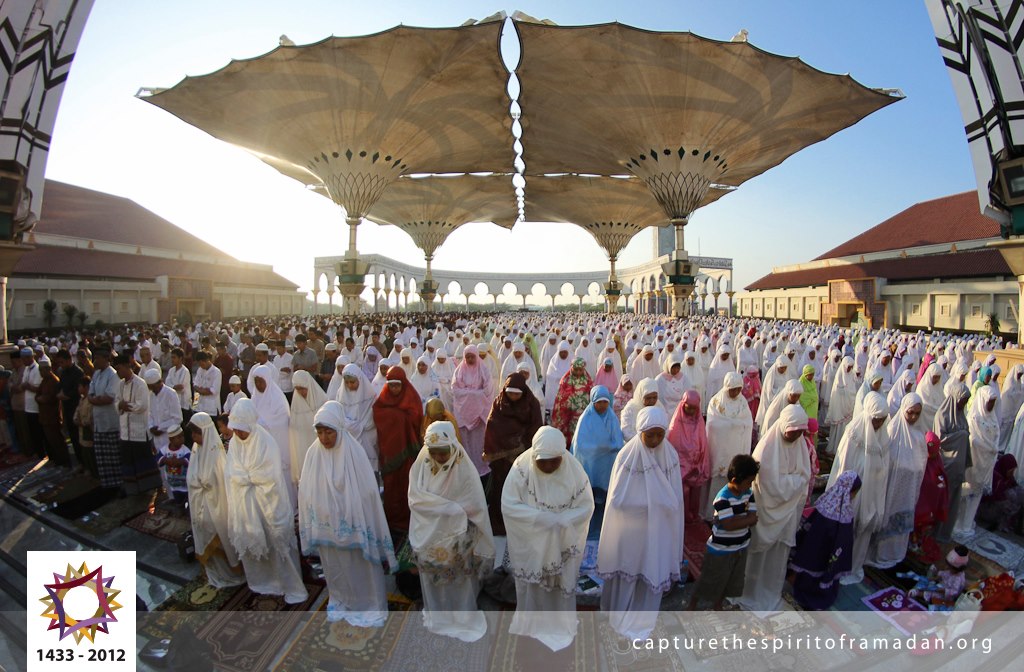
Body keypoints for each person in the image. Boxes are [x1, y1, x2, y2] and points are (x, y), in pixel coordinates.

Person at [298, 401, 395, 625]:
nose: (324, 438)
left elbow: (369, 493)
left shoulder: (354, 453)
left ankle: (369, 603)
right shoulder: (313, 454)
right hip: (326, 526)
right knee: (335, 568)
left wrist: (349, 508)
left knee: (358, 566)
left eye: (329, 432)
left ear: (339, 430)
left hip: (354, 524)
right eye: (320, 432)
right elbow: (306, 491)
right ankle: (341, 599)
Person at [502, 426, 594, 652]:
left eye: (554, 461)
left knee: (559, 583)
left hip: (562, 542)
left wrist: (564, 519)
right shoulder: (522, 469)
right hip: (533, 543)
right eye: (543, 461)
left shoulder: (574, 470)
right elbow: (509, 505)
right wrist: (541, 518)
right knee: (535, 586)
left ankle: (559, 624)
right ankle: (532, 624)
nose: (550, 466)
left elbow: (586, 505)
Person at [598, 406, 684, 640]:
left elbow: (675, 498)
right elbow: (617, 500)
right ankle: (619, 614)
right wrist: (650, 504)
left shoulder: (670, 456)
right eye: (650, 435)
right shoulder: (626, 456)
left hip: (658, 529)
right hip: (632, 531)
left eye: (660, 434)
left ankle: (642, 619)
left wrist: (659, 505)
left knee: (650, 569)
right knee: (629, 571)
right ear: (640, 432)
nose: (655, 440)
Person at [409, 420, 495, 642]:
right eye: (434, 452)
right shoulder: (422, 465)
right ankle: (439, 615)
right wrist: (448, 508)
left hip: (459, 536)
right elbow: (415, 499)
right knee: (434, 577)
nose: (438, 458)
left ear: (453, 448)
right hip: (428, 532)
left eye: (443, 452)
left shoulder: (463, 470)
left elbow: (474, 506)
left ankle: (461, 616)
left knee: (457, 580)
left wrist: (455, 513)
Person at [225, 399, 308, 604]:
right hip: (247, 505)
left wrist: (245, 478)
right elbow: (231, 472)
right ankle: (262, 581)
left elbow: (268, 476)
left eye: (241, 430)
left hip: (268, 503)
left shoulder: (265, 441)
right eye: (235, 430)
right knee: (254, 541)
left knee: (277, 541)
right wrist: (245, 478)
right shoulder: (235, 443)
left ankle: (289, 585)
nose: (238, 434)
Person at [736, 405, 811, 613]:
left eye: (800, 432)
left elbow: (805, 477)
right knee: (759, 553)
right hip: (766, 512)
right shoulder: (767, 448)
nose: (796, 436)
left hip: (787, 515)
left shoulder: (801, 447)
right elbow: (770, 484)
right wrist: (793, 483)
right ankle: (750, 592)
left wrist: (791, 483)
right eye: (792, 431)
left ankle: (770, 592)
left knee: (778, 555)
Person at [827, 392, 889, 584]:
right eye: (876, 420)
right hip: (852, 494)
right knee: (846, 532)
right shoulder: (854, 433)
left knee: (863, 533)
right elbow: (843, 467)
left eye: (882, 421)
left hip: (871, 493)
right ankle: (836, 568)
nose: (878, 425)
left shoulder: (883, 437)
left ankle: (854, 566)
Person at [688, 454, 760, 610]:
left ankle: (718, 605)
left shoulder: (748, 494)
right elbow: (729, 525)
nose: (750, 486)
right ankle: (692, 605)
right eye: (748, 482)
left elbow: (750, 516)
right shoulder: (723, 498)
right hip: (720, 550)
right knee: (709, 579)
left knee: (729, 580)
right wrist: (747, 521)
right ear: (735, 481)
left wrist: (741, 521)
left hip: (740, 547)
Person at [186, 412, 244, 589]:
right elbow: (192, 477)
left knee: (221, 538)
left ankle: (230, 572)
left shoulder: (216, 454)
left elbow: (218, 483)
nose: (194, 437)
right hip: (201, 505)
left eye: (197, 433)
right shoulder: (197, 450)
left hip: (217, 506)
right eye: (193, 434)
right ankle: (216, 572)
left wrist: (201, 484)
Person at [868, 393, 927, 568]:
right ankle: (880, 555)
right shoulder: (893, 431)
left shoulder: (919, 436)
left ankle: (897, 554)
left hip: (908, 490)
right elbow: (884, 461)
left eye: (917, 413)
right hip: (890, 488)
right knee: (887, 520)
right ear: (903, 410)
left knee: (901, 524)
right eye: (910, 413)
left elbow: (921, 463)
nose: (913, 417)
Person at [482, 371, 543, 535]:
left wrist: (521, 446)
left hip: (523, 455)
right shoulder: (499, 403)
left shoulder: (532, 404)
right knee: (501, 489)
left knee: (522, 489)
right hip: (501, 459)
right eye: (510, 394)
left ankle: (522, 524)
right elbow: (492, 426)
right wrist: (501, 450)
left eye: (517, 394)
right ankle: (500, 524)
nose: (513, 397)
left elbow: (536, 428)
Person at [789, 471, 860, 610]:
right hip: (826, 554)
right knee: (820, 578)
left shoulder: (824, 503)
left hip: (812, 551)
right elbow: (843, 542)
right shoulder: (844, 515)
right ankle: (815, 598)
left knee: (809, 574)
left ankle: (801, 589)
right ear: (849, 492)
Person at [570, 385, 625, 540]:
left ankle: (602, 529)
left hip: (605, 466)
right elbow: (580, 446)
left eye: (605, 402)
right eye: (599, 402)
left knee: (603, 499)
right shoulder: (585, 418)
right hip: (589, 465)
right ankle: (585, 529)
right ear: (592, 401)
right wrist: (604, 448)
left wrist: (605, 448)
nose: (602, 406)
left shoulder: (612, 418)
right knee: (588, 498)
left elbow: (618, 443)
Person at [373, 366, 423, 535]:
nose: (394, 389)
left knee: (406, 484)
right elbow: (377, 412)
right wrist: (397, 416)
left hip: (407, 452)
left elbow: (416, 416)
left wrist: (398, 417)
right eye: (391, 385)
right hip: (389, 452)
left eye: (397, 386)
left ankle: (408, 518)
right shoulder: (383, 399)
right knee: (391, 486)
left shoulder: (412, 397)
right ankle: (392, 519)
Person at [706, 372, 754, 518]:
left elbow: (748, 423)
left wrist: (733, 424)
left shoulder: (742, 402)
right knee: (719, 479)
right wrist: (732, 424)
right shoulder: (716, 402)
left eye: (738, 389)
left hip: (737, 447)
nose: (735, 392)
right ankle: (713, 513)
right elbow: (713, 425)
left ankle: (734, 510)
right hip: (721, 448)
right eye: (732, 389)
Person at [955, 385, 1001, 538]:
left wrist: (994, 447)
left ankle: (967, 523)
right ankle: (958, 523)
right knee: (966, 493)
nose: (991, 405)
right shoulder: (974, 418)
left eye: (994, 402)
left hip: (986, 464)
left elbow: (996, 435)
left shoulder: (992, 417)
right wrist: (990, 447)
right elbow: (973, 440)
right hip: (973, 462)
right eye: (989, 401)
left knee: (977, 494)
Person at [249, 363, 295, 511]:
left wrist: (262, 423)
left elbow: (281, 421)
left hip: (277, 444)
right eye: (256, 382)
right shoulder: (254, 398)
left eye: (261, 381)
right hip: (260, 446)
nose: (258, 385)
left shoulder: (278, 399)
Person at [114, 354, 161, 495]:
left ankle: (149, 488)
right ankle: (133, 488)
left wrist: (124, 405)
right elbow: (116, 403)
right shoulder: (120, 385)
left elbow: (142, 406)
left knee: (143, 461)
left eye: (119, 368)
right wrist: (120, 405)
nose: (118, 372)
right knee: (129, 462)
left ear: (127, 367)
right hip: (125, 431)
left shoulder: (140, 384)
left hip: (139, 430)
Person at [935, 384, 972, 542]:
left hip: (957, 468)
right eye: (962, 400)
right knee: (941, 501)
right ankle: (934, 533)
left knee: (952, 503)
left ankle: (945, 533)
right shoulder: (942, 416)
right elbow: (940, 440)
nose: (964, 404)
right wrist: (961, 436)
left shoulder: (961, 416)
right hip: (945, 466)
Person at [667, 389, 710, 526]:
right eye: (688, 407)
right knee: (682, 494)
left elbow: (703, 442)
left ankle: (692, 517)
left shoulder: (699, 421)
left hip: (695, 463)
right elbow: (673, 443)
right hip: (680, 465)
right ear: (683, 404)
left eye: (694, 408)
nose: (691, 411)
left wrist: (700, 461)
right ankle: (681, 520)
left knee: (695, 495)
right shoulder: (677, 421)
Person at [451, 345, 494, 479]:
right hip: (463, 413)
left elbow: (488, 390)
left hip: (479, 414)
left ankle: (481, 467)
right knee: (465, 440)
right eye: (467, 357)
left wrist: (469, 394)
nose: (470, 359)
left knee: (478, 441)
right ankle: (466, 467)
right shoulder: (459, 370)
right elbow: (455, 389)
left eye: (472, 357)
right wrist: (474, 394)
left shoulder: (484, 370)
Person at [288, 370, 327, 487]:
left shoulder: (322, 399)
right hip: (303, 446)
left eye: (303, 388)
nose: (301, 392)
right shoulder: (296, 404)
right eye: (298, 389)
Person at [337, 363, 379, 470]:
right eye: (347, 383)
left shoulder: (370, 395)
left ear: (359, 380)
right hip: (348, 435)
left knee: (366, 467)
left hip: (366, 436)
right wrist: (351, 426)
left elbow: (372, 418)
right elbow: (339, 414)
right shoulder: (340, 394)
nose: (350, 385)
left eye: (352, 382)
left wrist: (358, 426)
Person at [551, 357, 593, 446]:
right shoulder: (566, 381)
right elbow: (561, 400)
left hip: (584, 415)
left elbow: (592, 397)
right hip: (568, 415)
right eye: (576, 370)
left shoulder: (588, 381)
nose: (578, 372)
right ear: (571, 368)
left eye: (580, 370)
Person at [979, 454, 1024, 534]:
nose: (1012, 473)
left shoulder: (1008, 476)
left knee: (1019, 493)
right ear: (1005, 467)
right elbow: (996, 497)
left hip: (998, 505)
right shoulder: (996, 477)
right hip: (986, 508)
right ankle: (1004, 524)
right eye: (1011, 471)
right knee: (1010, 499)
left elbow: (1015, 486)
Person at [619, 378, 664, 443]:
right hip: (635, 446)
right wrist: (645, 441)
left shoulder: (659, 406)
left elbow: (665, 428)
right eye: (648, 398)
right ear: (641, 395)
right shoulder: (630, 409)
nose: (652, 401)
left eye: (654, 397)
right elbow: (626, 433)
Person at [156, 426, 190, 506]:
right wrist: (166, 460)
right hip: (172, 483)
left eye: (182, 436)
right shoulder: (164, 450)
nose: (182, 439)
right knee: (177, 499)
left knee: (186, 499)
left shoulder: (185, 450)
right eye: (179, 437)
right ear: (171, 439)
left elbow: (189, 461)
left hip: (184, 483)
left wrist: (179, 461)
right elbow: (158, 461)